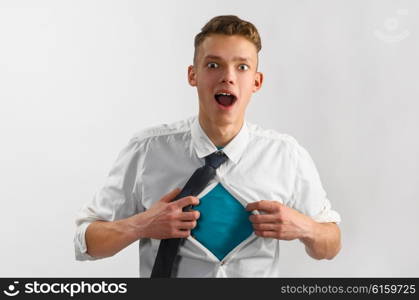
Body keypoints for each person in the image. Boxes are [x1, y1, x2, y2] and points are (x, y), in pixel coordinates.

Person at [74, 15, 341, 277]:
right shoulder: (147, 150)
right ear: (193, 75)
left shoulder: (286, 155)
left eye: (242, 67)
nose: (228, 77)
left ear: (257, 82)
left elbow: (331, 246)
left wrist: (306, 228)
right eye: (213, 65)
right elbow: (86, 242)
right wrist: (140, 225)